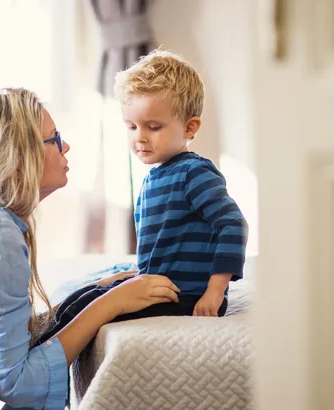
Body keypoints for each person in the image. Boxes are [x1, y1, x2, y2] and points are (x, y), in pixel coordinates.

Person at [0, 88, 180, 410]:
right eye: (54, 138)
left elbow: (5, 332)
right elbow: (20, 383)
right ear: (19, 159)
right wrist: (112, 303)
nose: (66, 145)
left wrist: (91, 293)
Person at [34, 49, 249, 341]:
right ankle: (29, 344)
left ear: (189, 127)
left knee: (91, 308)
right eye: (132, 126)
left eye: (153, 127)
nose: (140, 137)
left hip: (184, 296)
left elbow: (233, 225)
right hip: (157, 287)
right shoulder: (154, 177)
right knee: (85, 295)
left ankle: (35, 357)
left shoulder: (194, 173)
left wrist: (214, 292)